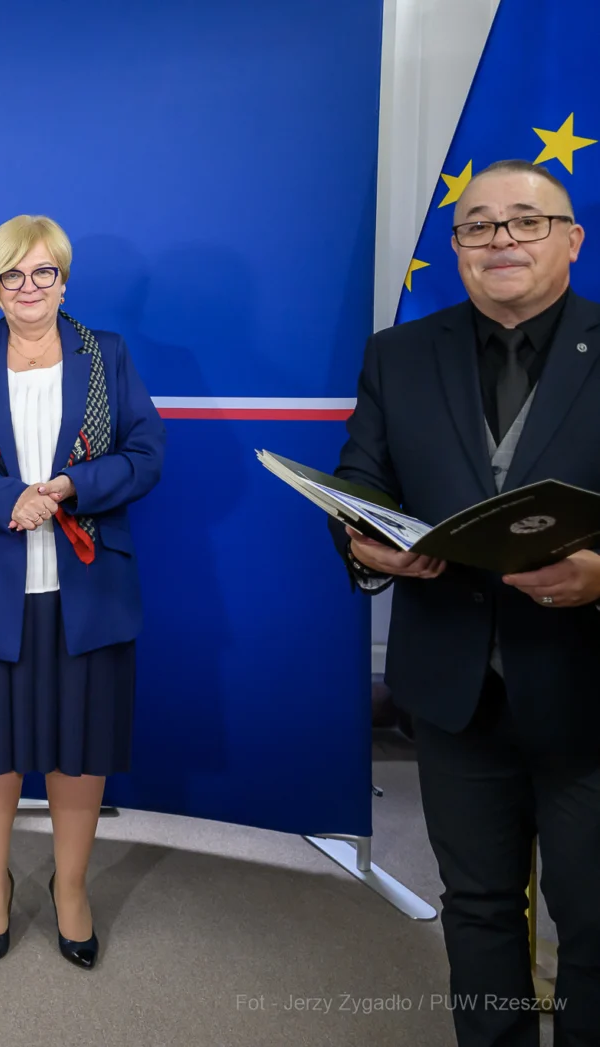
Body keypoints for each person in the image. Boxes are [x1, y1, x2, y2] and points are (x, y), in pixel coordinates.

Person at [331, 159, 600, 1047]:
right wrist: (363, 541)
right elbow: (360, 481)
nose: (500, 240)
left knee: (595, 918)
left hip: (588, 689)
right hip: (455, 691)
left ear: (572, 239)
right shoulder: (400, 353)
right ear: (457, 248)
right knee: (479, 907)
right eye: (477, 225)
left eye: (525, 221)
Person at [0, 215, 164, 968]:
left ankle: (71, 887)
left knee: (80, 747)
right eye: (12, 276)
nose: (28, 288)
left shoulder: (106, 355)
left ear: (64, 280)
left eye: (43, 273)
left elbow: (146, 451)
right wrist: (10, 500)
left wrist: (69, 486)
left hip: (86, 587)